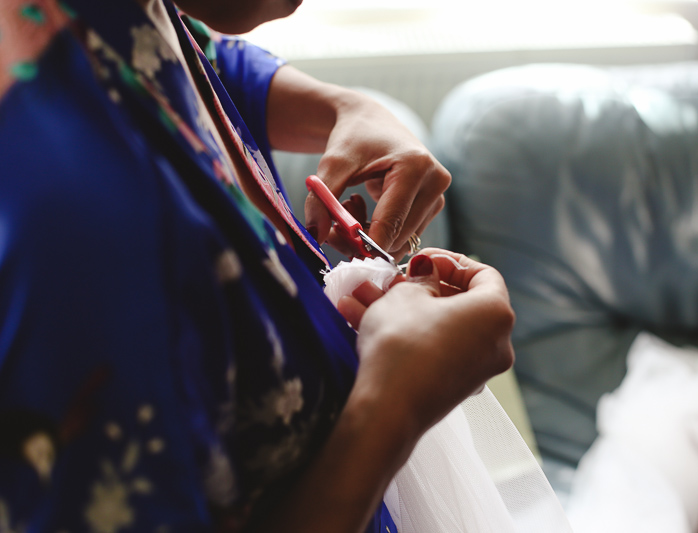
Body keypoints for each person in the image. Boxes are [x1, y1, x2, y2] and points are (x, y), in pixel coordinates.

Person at [0, 0, 515, 531]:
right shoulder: (80, 225)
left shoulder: (114, 16)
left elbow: (196, 55)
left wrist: (350, 110)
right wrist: (396, 400)